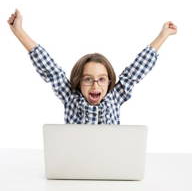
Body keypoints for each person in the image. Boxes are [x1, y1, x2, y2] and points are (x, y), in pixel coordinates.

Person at [7, 9, 177, 124]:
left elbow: (137, 69)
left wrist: (163, 35)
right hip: (75, 165)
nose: (95, 85)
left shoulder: (115, 97)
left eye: (101, 79)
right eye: (88, 79)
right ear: (78, 82)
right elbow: (50, 69)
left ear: (109, 82)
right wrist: (19, 32)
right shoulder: (70, 97)